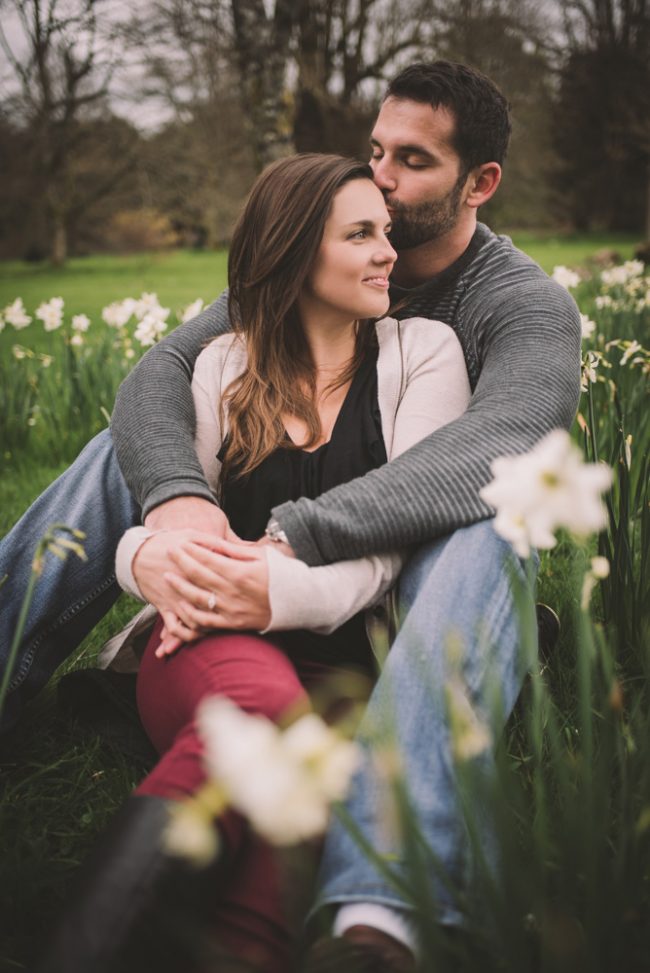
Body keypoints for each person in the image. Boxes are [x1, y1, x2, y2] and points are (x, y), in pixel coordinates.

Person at [0, 61, 582, 970]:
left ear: (482, 182)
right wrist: (178, 516)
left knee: (489, 522)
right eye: (376, 151)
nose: (383, 177)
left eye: (414, 161)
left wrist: (286, 544)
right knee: (129, 447)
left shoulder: (511, 306)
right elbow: (159, 375)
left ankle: (382, 903)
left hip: (406, 582)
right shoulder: (293, 279)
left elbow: (502, 445)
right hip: (247, 574)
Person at [36, 152, 470, 973]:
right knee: (264, 713)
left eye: (385, 231)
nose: (389, 252)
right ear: (297, 249)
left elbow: (391, 543)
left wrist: (261, 588)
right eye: (361, 234)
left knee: (305, 777)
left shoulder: (426, 355)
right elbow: (154, 529)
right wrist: (149, 563)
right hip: (201, 641)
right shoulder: (222, 366)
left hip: (352, 657)